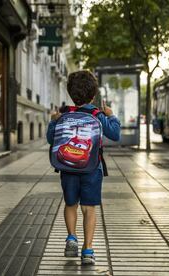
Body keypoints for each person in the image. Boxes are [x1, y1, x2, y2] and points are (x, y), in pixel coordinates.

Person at [46, 70, 121, 265]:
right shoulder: (98, 115)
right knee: (89, 208)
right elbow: (115, 134)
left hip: (67, 168)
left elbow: (50, 139)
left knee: (71, 204)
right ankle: (88, 250)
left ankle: (71, 237)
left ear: (70, 93)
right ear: (93, 94)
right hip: (92, 169)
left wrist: (53, 121)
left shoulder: (64, 114)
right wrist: (111, 116)